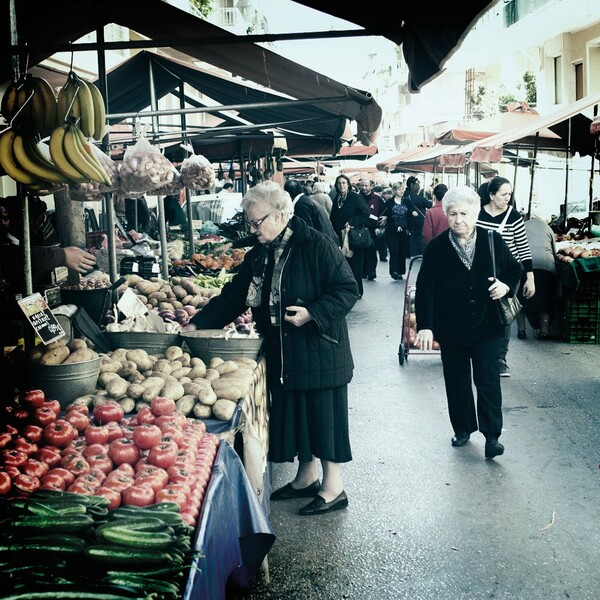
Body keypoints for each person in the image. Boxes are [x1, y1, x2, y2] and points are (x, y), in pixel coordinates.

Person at [190, 181, 359, 515]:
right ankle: (306, 477)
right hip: (285, 351)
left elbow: (348, 289)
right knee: (298, 413)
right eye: (249, 223)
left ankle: (334, 487)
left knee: (324, 416)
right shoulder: (260, 254)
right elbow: (233, 298)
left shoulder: (317, 245)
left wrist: (313, 312)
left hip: (319, 347)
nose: (252, 230)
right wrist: (197, 324)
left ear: (282, 214)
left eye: (257, 222)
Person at [414, 186, 522, 459]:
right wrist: (425, 325)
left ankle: (492, 437)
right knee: (457, 380)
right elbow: (425, 287)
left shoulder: (492, 240)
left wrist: (505, 286)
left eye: (464, 213)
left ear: (475, 214)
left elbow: (514, 269)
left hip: (488, 325)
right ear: (446, 215)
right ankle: (463, 429)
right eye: (452, 213)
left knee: (487, 381)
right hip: (451, 326)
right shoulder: (437, 247)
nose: (458, 219)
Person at [476, 176, 535, 377]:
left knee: (504, 315)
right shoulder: (477, 213)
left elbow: (524, 249)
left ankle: (500, 359)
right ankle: (478, 352)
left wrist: (530, 277)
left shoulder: (514, 216)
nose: (508, 198)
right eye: (504, 194)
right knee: (479, 311)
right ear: (492, 195)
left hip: (508, 274)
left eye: (510, 194)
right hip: (480, 273)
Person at [0, 197, 97, 283]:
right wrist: (63, 255)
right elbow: (12, 261)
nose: (5, 222)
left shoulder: (42, 226)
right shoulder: (12, 232)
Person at [515, 214, 559, 340]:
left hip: (525, 264)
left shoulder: (522, 227)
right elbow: (554, 253)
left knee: (521, 299)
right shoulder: (548, 228)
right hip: (546, 265)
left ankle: (521, 331)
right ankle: (544, 331)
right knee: (545, 298)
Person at [329, 174, 370, 298]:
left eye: (344, 183)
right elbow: (333, 216)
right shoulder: (337, 198)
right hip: (341, 237)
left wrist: (352, 221)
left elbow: (365, 213)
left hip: (354, 237)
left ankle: (358, 290)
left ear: (348, 184)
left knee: (356, 265)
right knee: (345, 264)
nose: (341, 185)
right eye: (339, 183)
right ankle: (349, 289)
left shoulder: (355, 198)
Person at [379, 181, 411, 280]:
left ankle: (401, 271)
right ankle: (394, 271)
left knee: (402, 251)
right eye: (399, 189)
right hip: (391, 231)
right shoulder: (389, 203)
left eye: (402, 189)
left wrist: (409, 228)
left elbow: (410, 214)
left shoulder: (407, 201)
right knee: (394, 251)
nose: (401, 191)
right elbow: (384, 216)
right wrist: (393, 226)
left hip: (404, 231)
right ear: (394, 191)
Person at [358, 178, 385, 280]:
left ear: (371, 186)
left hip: (373, 229)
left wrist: (379, 226)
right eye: (362, 186)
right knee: (361, 250)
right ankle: (362, 272)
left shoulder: (377, 199)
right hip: (359, 228)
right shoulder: (357, 197)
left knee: (372, 251)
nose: (364, 188)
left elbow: (383, 212)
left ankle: (371, 271)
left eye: (366, 185)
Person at [404, 178, 432, 257]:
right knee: (419, 235)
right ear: (418, 190)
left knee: (412, 235)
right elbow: (429, 205)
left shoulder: (407, 198)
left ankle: (412, 252)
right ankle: (420, 252)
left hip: (410, 219)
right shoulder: (421, 198)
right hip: (421, 219)